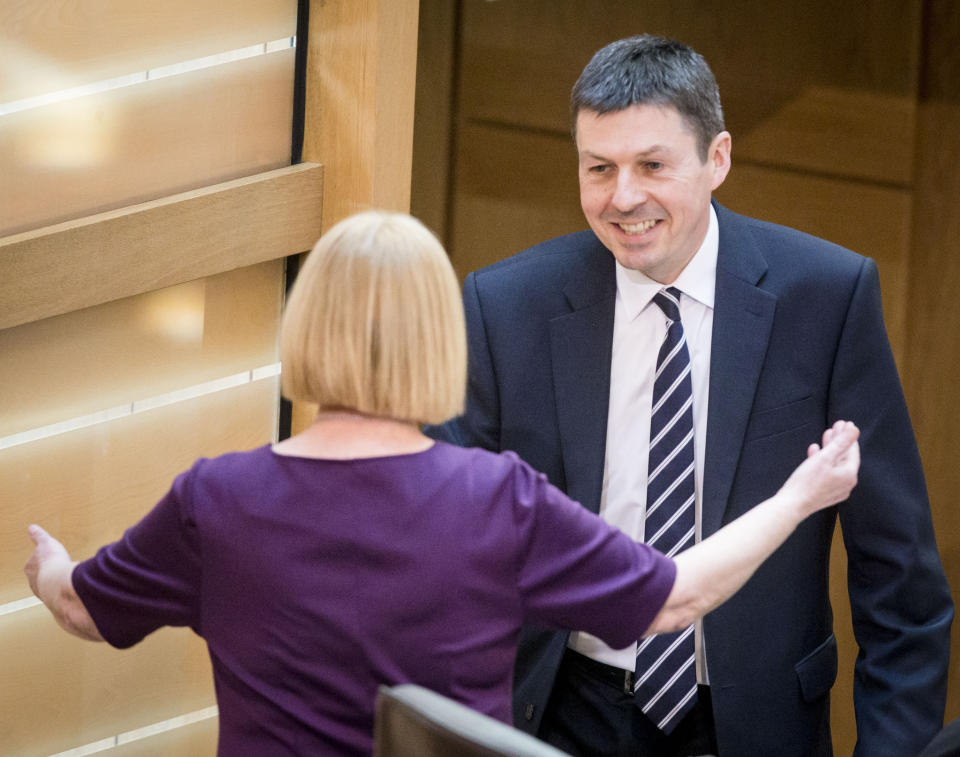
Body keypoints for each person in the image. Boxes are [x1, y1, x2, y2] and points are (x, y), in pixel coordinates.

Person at [25, 210, 860, 757]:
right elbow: (675, 596)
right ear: (440, 339)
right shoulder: (497, 499)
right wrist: (802, 495)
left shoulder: (217, 498)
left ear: (304, 325)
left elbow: (81, 607)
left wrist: (50, 566)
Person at [426, 34, 953, 757]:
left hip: (756, 722)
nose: (623, 197)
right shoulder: (504, 305)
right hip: (560, 711)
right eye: (599, 168)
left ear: (718, 159)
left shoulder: (826, 299)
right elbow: (447, 550)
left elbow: (902, 587)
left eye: (652, 165)